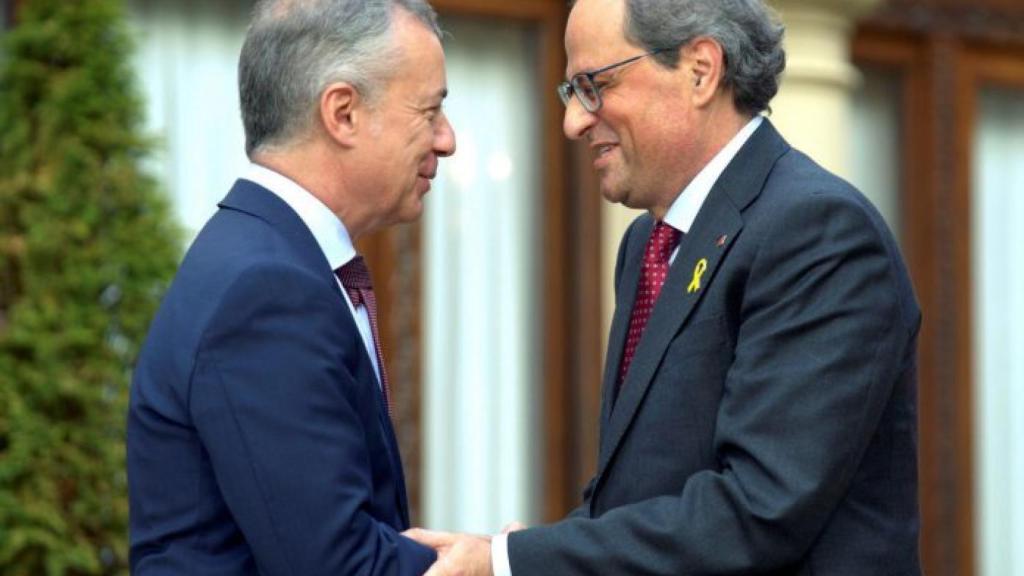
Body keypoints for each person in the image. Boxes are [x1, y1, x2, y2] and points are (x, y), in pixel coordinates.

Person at [405, 0, 921, 574]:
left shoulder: (816, 232)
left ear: (700, 70)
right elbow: (646, 492)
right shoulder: (647, 245)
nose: (573, 120)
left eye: (593, 85)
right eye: (569, 92)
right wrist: (536, 554)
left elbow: (757, 511)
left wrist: (510, 562)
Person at [127, 0, 455, 573]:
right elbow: (337, 563)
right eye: (429, 112)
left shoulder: (268, 258)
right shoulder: (268, 289)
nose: (446, 140)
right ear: (343, 113)